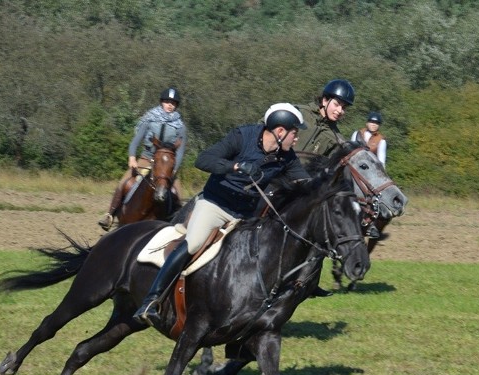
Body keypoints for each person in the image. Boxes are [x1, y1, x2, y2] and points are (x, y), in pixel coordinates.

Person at [133, 103, 309, 327]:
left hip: (245, 216)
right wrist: (236, 167)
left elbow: (306, 183)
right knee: (194, 243)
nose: (296, 138)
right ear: (280, 131)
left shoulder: (287, 157)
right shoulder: (241, 137)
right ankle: (152, 300)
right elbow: (203, 160)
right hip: (215, 205)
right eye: (295, 132)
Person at [293, 79, 356, 297]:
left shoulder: (336, 139)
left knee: (323, 223)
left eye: (344, 108)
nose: (341, 111)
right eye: (337, 104)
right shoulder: (298, 114)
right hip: (273, 176)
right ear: (324, 100)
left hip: (301, 189)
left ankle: (310, 279)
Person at [99, 87, 187, 231]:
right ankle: (110, 215)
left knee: (177, 192)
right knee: (124, 182)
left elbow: (181, 151)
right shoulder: (149, 119)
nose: (170, 105)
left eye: (173, 103)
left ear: (176, 105)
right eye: (167, 102)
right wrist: (132, 158)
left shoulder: (181, 127)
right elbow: (135, 141)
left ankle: (178, 223)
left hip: (166, 165)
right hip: (147, 158)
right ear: (161, 102)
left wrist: (174, 168)